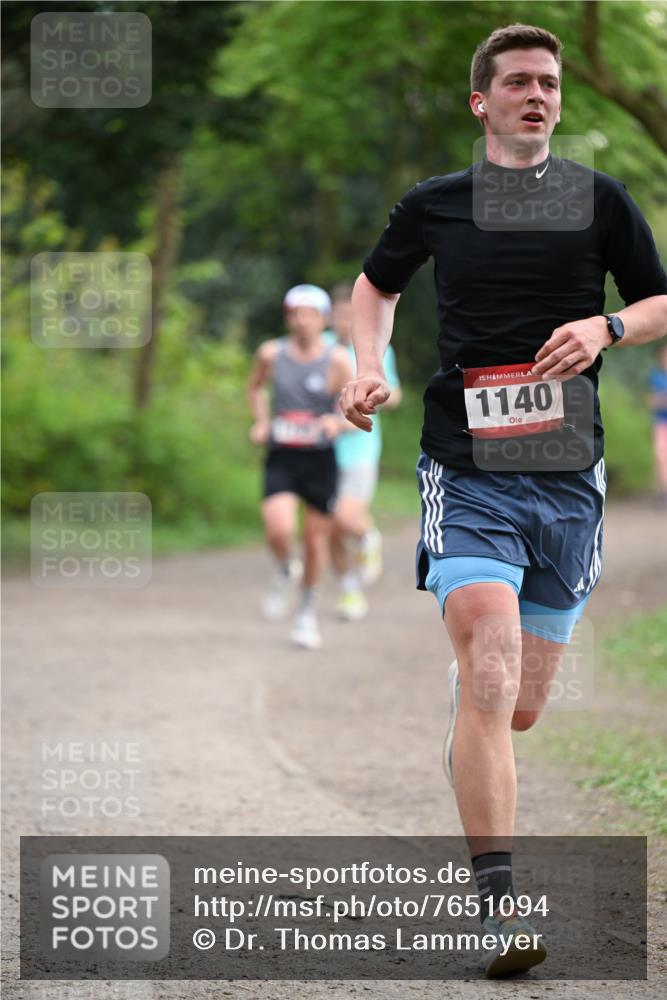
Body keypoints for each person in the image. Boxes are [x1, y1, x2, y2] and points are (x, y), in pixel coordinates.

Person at [341, 23, 667, 977]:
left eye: (550, 83)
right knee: (489, 661)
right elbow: (373, 286)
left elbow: (659, 301)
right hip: (467, 467)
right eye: (518, 81)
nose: (538, 94)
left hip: (568, 479)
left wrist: (604, 326)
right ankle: (497, 909)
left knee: (516, 706)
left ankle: (477, 704)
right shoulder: (435, 205)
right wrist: (371, 368)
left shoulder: (599, 199)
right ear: (481, 102)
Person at [247, 284, 352, 649]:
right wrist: (261, 422)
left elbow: (353, 409)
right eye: (294, 313)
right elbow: (255, 388)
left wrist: (336, 423)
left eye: (308, 314)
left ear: (322, 319)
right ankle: (282, 568)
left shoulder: (337, 359)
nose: (301, 321)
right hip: (282, 455)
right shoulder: (272, 354)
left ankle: (306, 611)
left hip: (320, 459)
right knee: (278, 530)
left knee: (314, 539)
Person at [325, 282, 402, 621]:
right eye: (339, 316)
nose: (345, 323)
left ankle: (368, 537)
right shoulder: (322, 349)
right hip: (321, 451)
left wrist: (373, 396)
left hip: (359, 448)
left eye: (350, 316)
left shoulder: (377, 350)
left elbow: (395, 394)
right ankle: (349, 590)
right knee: (331, 529)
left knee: (345, 517)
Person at [647, 342, 667, 508]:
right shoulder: (656, 377)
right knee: (661, 457)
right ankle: (663, 491)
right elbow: (652, 402)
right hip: (661, 423)